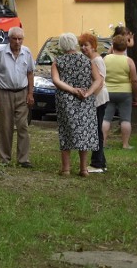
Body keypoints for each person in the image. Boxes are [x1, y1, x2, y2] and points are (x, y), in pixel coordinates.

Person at [51, 33, 101, 177]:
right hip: (85, 99)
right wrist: (88, 92)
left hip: (65, 99)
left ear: (62, 45)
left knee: (66, 131)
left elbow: (56, 80)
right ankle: (83, 169)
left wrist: (72, 90)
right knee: (84, 132)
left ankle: (66, 168)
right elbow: (98, 80)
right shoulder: (87, 61)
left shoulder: (58, 61)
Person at [0, 27, 35, 168]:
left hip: (22, 92)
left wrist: (30, 93)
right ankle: (4, 159)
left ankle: (23, 159)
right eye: (15, 39)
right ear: (9, 39)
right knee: (5, 127)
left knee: (23, 126)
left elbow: (30, 73)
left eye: (20, 39)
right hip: (4, 93)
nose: (18, 42)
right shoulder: (1, 52)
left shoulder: (27, 52)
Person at [102, 34, 137, 149]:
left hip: (108, 91)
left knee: (106, 118)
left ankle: (102, 143)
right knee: (125, 119)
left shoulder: (105, 59)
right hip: (125, 93)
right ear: (125, 47)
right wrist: (136, 96)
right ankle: (125, 144)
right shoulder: (129, 61)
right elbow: (134, 80)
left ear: (113, 46)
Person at [79, 33, 108, 173]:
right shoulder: (90, 59)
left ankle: (97, 163)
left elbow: (100, 82)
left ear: (93, 46)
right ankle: (101, 161)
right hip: (94, 98)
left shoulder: (96, 60)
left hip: (98, 100)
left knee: (96, 131)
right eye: (81, 46)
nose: (84, 48)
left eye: (86, 45)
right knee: (95, 130)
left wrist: (89, 96)